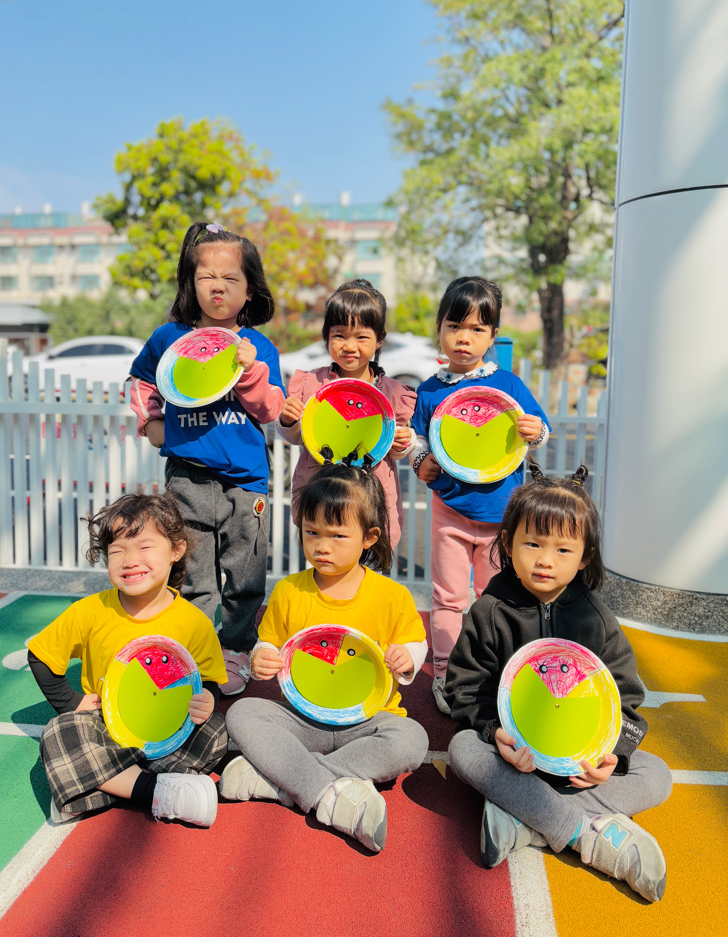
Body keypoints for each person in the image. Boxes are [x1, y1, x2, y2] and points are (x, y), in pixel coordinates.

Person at [445, 467, 672, 902]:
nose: (545, 560)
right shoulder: (490, 612)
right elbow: (464, 687)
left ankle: (526, 822)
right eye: (532, 544)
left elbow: (626, 696)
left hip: (578, 767)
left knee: (656, 773)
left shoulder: (597, 619)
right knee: (462, 749)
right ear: (508, 544)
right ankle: (586, 833)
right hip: (516, 759)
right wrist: (493, 731)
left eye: (563, 549)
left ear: (585, 556)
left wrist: (612, 754)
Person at [220, 463, 429, 853]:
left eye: (337, 535)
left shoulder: (391, 596)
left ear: (369, 538)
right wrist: (262, 657)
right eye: (312, 532)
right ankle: (333, 792)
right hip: (303, 719)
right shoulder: (289, 591)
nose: (322, 546)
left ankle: (286, 782)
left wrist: (408, 657)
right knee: (243, 712)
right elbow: (268, 643)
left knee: (412, 739)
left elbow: (415, 643)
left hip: (367, 722)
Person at [129, 223, 285, 696]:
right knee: (193, 573)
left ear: (250, 289)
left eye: (230, 279)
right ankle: (196, 652)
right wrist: (151, 423)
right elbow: (140, 381)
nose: (218, 287)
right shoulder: (169, 338)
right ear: (190, 283)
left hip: (246, 480)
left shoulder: (258, 346)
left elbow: (272, 409)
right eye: (206, 277)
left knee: (245, 574)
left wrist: (249, 369)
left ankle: (235, 648)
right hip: (187, 476)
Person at [28, 493, 230, 827]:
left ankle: (93, 787)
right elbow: (40, 655)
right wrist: (70, 702)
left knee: (217, 731)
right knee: (60, 733)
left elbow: (207, 680)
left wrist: (208, 698)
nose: (130, 560)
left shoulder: (194, 622)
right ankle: (155, 791)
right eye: (117, 551)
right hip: (104, 728)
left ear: (176, 550)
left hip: (169, 732)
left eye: (144, 546)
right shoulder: (90, 611)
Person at [409, 276, 550, 714]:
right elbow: (416, 438)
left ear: (492, 336)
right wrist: (419, 460)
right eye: (454, 326)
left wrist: (534, 430)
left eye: (476, 329)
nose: (463, 338)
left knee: (495, 600)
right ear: (439, 329)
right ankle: (447, 673)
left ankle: (494, 673)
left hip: (501, 516)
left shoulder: (508, 384)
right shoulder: (431, 389)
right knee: (448, 598)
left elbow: (540, 429)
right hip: (449, 511)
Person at [276, 278, 416, 550]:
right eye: (339, 335)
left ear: (379, 339)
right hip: (322, 499)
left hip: (370, 502)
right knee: (324, 560)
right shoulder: (311, 384)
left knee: (369, 569)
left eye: (361, 337)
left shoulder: (392, 393)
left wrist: (402, 442)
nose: (349, 346)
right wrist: (288, 420)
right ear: (326, 336)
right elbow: (297, 437)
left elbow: (395, 448)